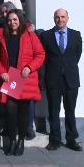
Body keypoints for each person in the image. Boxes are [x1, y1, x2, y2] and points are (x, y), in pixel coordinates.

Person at [0, 9, 45, 156]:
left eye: (15, 20)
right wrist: (2, 71)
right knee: (10, 111)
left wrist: (29, 67)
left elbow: (40, 54)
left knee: (23, 112)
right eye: (9, 20)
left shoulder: (30, 35)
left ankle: (21, 140)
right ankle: (12, 140)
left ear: (20, 20)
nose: (12, 22)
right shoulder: (2, 36)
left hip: (24, 78)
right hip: (10, 78)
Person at [41, 9, 82, 151]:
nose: (60, 20)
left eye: (63, 17)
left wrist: (66, 68)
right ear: (54, 19)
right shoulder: (46, 36)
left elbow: (77, 55)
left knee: (70, 110)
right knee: (54, 110)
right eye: (57, 17)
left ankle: (71, 140)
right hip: (53, 79)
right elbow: (44, 59)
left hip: (71, 79)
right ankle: (55, 140)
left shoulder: (76, 35)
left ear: (68, 18)